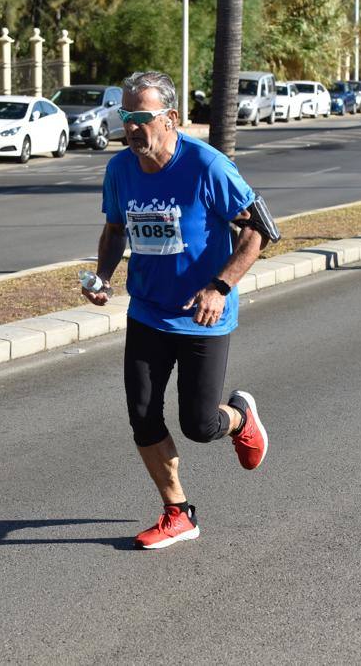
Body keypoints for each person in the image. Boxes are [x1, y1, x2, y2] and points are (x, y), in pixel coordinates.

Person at [84, 71, 274, 550]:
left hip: (202, 315)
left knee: (198, 424)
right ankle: (178, 512)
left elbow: (258, 232)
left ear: (170, 118)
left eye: (141, 117)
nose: (130, 127)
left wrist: (220, 286)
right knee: (143, 415)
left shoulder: (208, 166)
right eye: (125, 116)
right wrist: (103, 276)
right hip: (148, 311)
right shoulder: (120, 169)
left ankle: (240, 418)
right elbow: (114, 231)